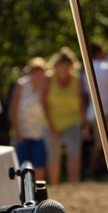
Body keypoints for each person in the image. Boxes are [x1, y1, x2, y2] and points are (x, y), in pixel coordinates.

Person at [41, 47, 85, 184]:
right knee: (54, 156)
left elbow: (81, 101)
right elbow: (43, 103)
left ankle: (74, 182)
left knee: (74, 152)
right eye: (61, 65)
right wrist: (51, 125)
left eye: (67, 65)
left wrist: (85, 122)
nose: (64, 68)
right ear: (56, 65)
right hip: (50, 122)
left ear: (72, 65)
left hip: (72, 121)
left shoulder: (76, 79)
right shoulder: (48, 78)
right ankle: (55, 185)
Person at [82, 43, 108, 179]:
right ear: (100, 53)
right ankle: (91, 171)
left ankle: (97, 171)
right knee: (101, 144)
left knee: (102, 144)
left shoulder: (86, 70)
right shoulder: (106, 67)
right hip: (106, 111)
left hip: (92, 112)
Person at [8, 58, 48, 182]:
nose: (38, 75)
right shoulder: (21, 85)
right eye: (35, 71)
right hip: (23, 132)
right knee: (23, 166)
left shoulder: (46, 85)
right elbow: (13, 111)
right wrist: (17, 132)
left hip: (40, 132)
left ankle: (38, 193)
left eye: (40, 71)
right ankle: (24, 194)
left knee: (40, 164)